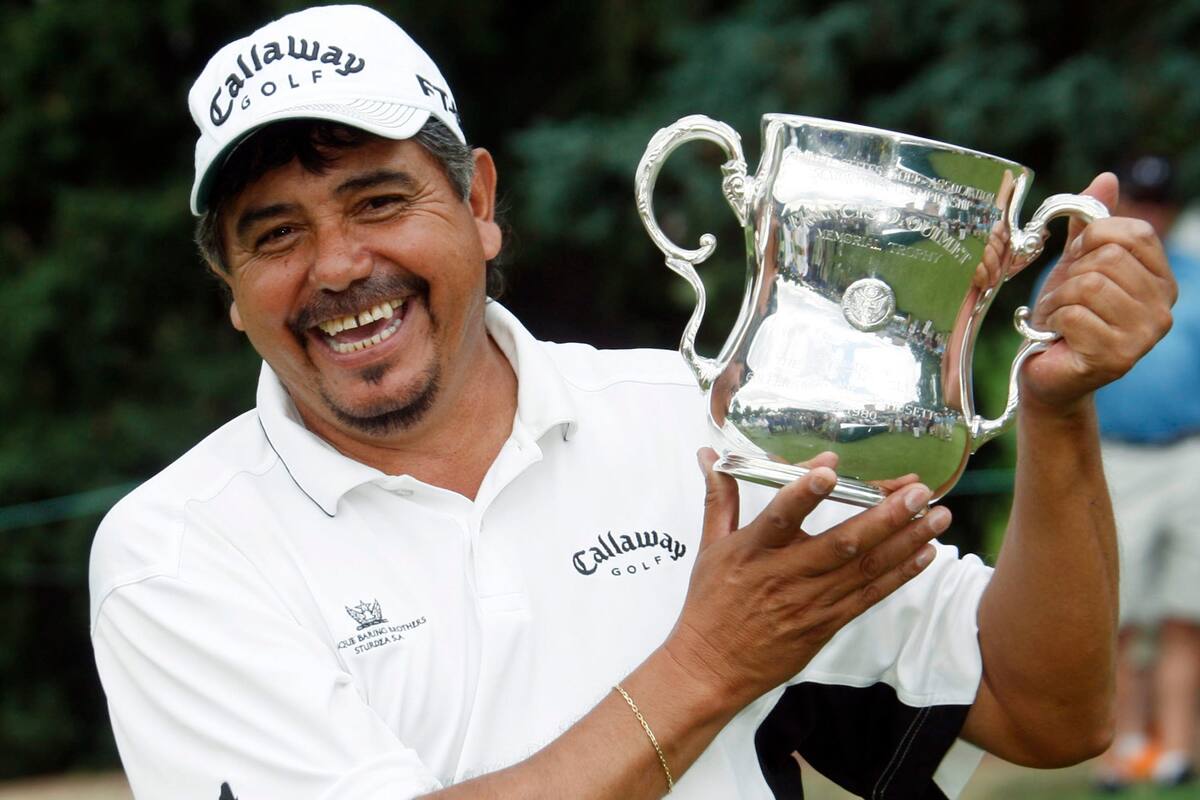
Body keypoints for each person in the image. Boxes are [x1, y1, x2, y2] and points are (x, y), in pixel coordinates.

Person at [88, 6, 1176, 799]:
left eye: (378, 199)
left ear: (477, 203)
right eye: (275, 234)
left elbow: (1051, 708)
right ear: (228, 289)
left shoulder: (692, 417)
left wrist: (1058, 416)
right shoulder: (177, 553)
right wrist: (710, 662)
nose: (335, 266)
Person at [1052, 156, 1200, 792]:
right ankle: (1122, 747)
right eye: (1138, 200)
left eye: (1158, 203)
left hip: (1191, 456)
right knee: (1117, 616)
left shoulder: (1196, 273)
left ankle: (1175, 752)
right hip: (1117, 458)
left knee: (1184, 614)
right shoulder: (1083, 273)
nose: (1148, 215)